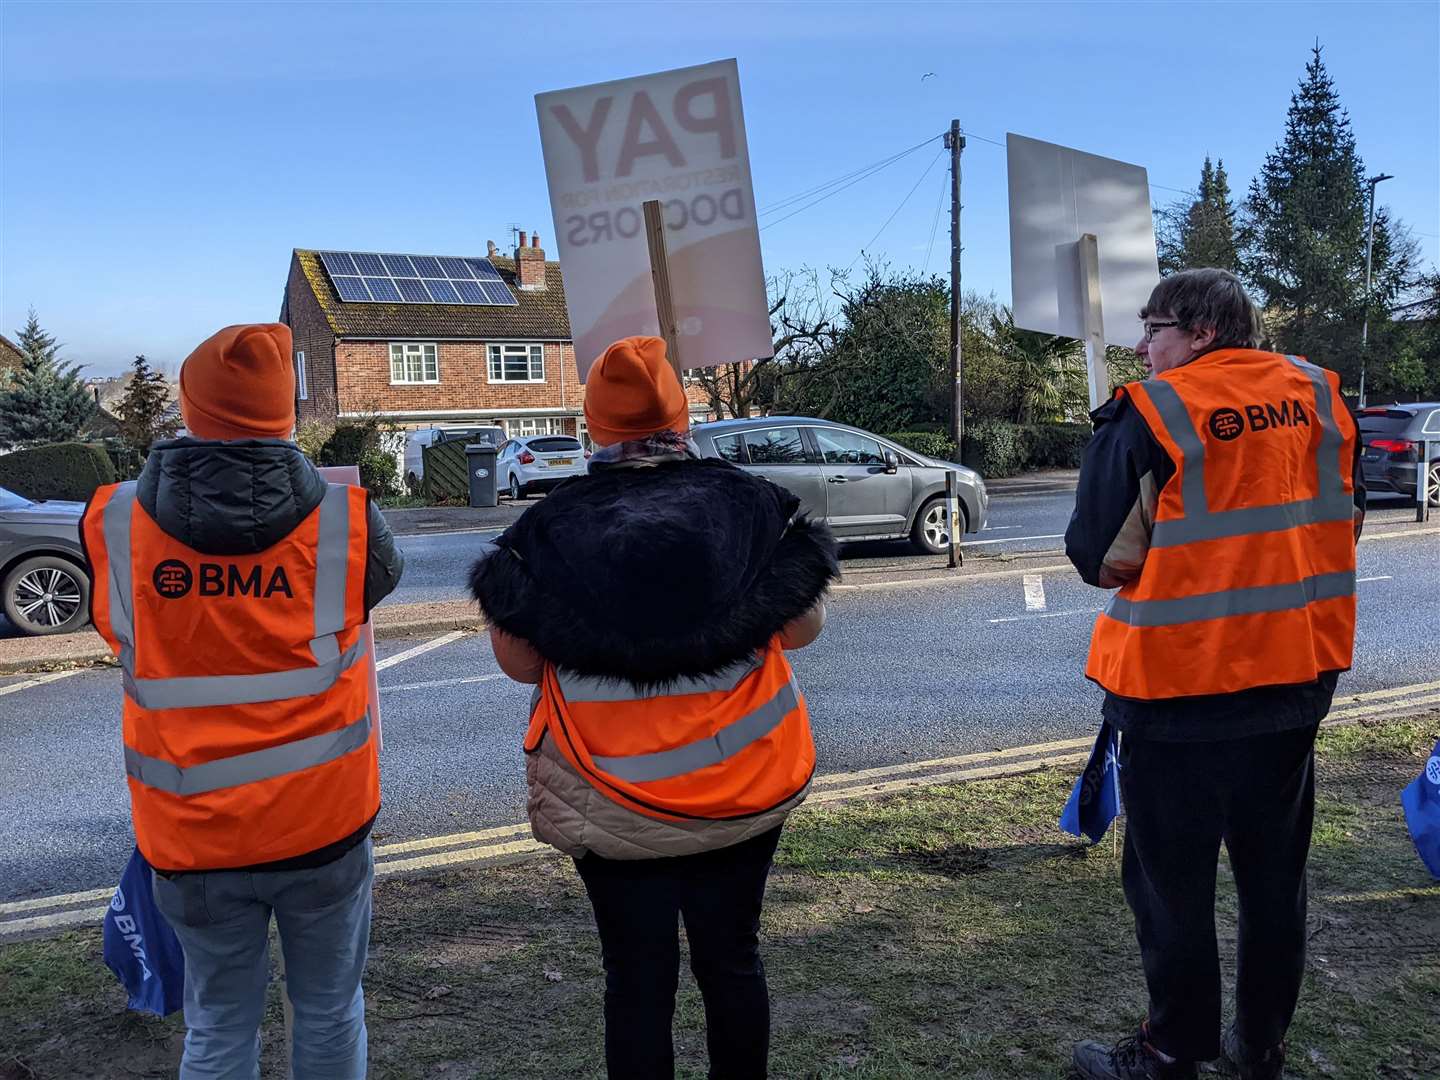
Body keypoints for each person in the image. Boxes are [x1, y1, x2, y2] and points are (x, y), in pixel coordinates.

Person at [470, 336, 838, 1080]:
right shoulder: (749, 503)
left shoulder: (547, 530)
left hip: (607, 797)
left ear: (594, 427)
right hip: (740, 787)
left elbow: (518, 665)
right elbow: (800, 628)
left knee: (636, 981)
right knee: (733, 962)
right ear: (680, 413)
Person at [81, 323, 403, 1079]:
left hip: (190, 836)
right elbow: (375, 586)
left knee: (219, 1024)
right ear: (285, 415)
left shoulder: (118, 525)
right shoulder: (347, 523)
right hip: (321, 824)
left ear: (191, 410)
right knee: (329, 1012)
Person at [1065, 269, 1364, 1080]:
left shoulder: (1155, 410)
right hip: (1296, 678)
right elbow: (1345, 519)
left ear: (1199, 332)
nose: (1141, 344)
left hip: (1177, 692)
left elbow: (1100, 558)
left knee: (1172, 887)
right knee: (1274, 878)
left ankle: (1171, 1052)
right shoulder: (1320, 394)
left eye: (1153, 327)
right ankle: (1259, 1044)